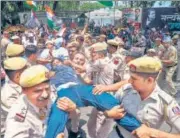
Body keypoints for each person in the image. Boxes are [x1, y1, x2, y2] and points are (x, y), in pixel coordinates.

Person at [4, 65, 68, 138]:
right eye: (38, 91)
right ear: (24, 90)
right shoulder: (19, 118)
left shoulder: (48, 95)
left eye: (47, 88)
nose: (45, 94)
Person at [1, 57, 28, 137]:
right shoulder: (8, 94)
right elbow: (19, 118)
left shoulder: (20, 84)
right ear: (18, 76)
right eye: (27, 71)